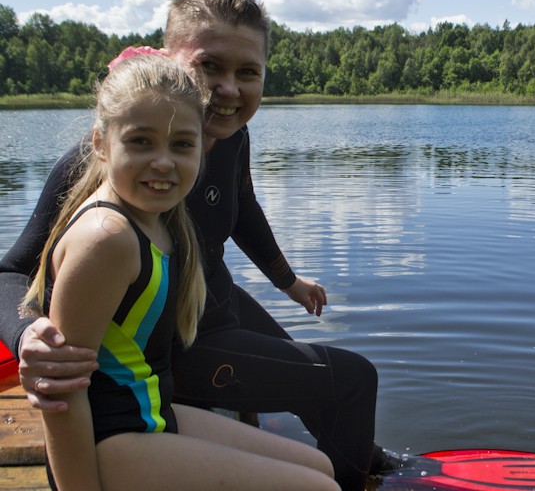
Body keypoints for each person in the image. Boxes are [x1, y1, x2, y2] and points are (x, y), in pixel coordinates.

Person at [0, 0, 396, 491]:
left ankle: (359, 462)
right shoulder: (111, 165)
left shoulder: (231, 136)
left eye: (247, 71)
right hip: (169, 350)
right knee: (350, 379)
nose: (228, 89)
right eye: (210, 67)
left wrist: (288, 281)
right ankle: (350, 475)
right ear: (169, 63)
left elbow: (244, 210)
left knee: (332, 384)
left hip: (204, 306)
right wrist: (27, 335)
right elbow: (14, 272)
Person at [21, 54, 339, 490]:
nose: (164, 162)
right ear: (100, 142)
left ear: (203, 146)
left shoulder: (166, 221)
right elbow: (61, 389)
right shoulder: (106, 237)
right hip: (107, 439)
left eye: (182, 144)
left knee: (321, 469)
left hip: (149, 415)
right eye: (140, 141)